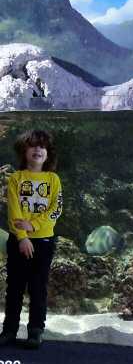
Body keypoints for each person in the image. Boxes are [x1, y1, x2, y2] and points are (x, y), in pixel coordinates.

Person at [0, 130, 62, 349]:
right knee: (15, 287)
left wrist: (34, 225)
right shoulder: (17, 178)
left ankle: (36, 331)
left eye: (43, 146)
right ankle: (9, 330)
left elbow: (56, 209)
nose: (38, 149)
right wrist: (23, 237)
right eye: (33, 145)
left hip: (44, 242)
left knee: (38, 287)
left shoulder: (53, 179)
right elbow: (13, 211)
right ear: (24, 151)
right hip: (19, 241)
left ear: (48, 153)